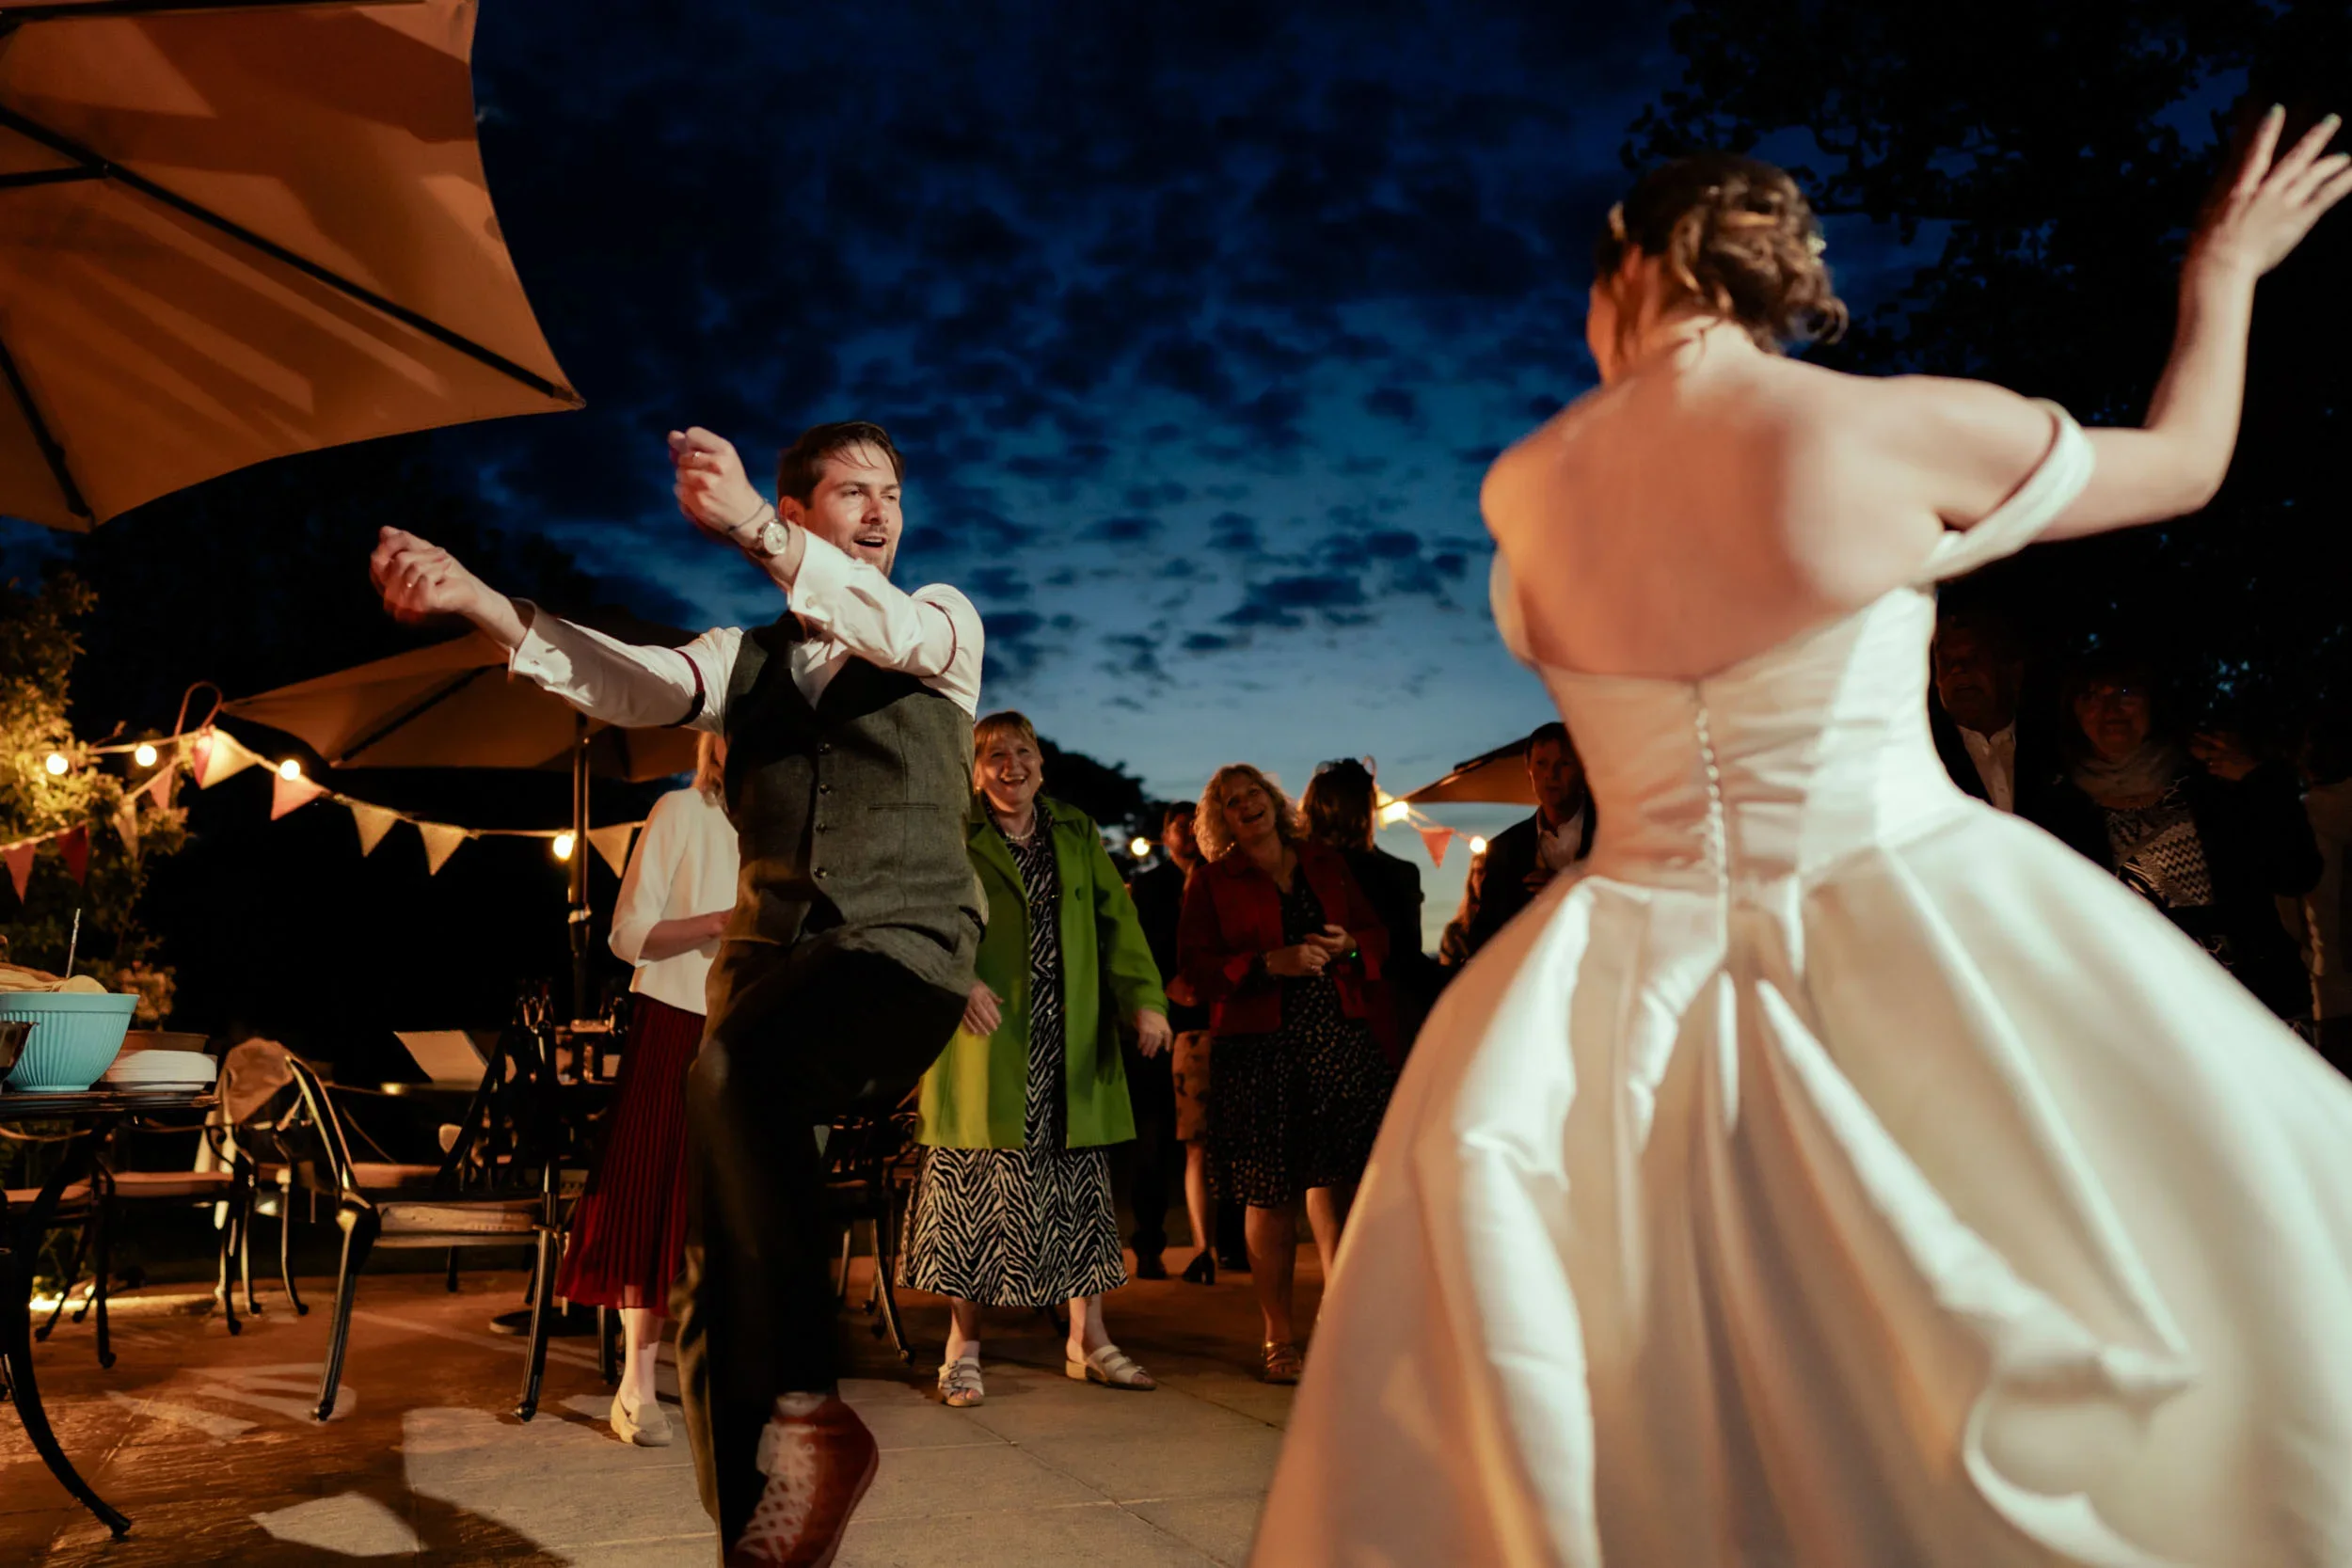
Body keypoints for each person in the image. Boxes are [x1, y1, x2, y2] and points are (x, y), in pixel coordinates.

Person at [1257, 122, 2352, 1568]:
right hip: (1894, 904)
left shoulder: (1525, 487)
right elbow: (2184, 463)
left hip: (1620, 955)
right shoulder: (1878, 428)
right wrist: (2224, 272)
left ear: (1629, 265)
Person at [371, 417, 983, 1568]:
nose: (882, 511)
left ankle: (812, 1410)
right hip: (760, 980)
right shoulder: (739, 659)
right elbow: (629, 682)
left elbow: (885, 624)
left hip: (898, 954)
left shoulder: (941, 623)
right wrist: (481, 601)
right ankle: (760, 1528)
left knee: (738, 1067)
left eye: (891, 491)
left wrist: (751, 524)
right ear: (805, 511)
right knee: (712, 1271)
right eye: (851, 491)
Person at [899, 710, 1170, 1406]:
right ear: (974, 767)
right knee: (974, 1193)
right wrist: (957, 979)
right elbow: (918, 916)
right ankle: (963, 1349)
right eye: (993, 754)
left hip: (1069, 1039)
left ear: (1041, 764)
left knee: (1081, 1192)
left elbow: (1119, 920)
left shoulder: (1075, 830)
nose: (1009, 765)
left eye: (1022, 752)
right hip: (983, 1041)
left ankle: (1089, 1339)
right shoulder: (954, 831)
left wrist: (1146, 999)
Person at [1178, 765, 1394, 1384]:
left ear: (1272, 800)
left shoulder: (1322, 860)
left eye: (1252, 793)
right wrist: (1267, 962)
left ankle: (1341, 1317)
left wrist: (1349, 943)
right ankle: (1278, 1336)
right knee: (1269, 1193)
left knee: (1338, 1184)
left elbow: (1375, 937)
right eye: (1229, 800)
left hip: (1336, 1039)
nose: (1245, 804)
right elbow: (1195, 968)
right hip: (1258, 1049)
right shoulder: (1211, 882)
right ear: (1219, 819)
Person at [556, 732, 739, 1449]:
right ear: (712, 741)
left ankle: (719, 1375)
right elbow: (626, 934)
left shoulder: (787, 823)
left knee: (730, 1208)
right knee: (658, 1194)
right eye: (731, 726)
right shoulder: (678, 811)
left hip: (752, 1028)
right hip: (677, 1021)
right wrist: (722, 922)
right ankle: (637, 1382)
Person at [2040, 652, 2320, 1022]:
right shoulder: (2059, 808)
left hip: (2251, 1006)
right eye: (2090, 696)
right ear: (2073, 714)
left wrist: (2260, 781)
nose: (2110, 708)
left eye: (2126, 692)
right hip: (2142, 1016)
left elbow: (2296, 872)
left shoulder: (2212, 780)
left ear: (2152, 703)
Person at [1123, 800, 1244, 1282]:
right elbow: (1139, 949)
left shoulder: (1223, 881)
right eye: (1180, 826)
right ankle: (1149, 1245)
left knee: (1222, 1138)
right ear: (1165, 834)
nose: (1189, 833)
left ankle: (1228, 1244)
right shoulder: (1150, 887)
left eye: (1196, 825)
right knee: (1153, 1140)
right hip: (1162, 1023)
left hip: (1215, 1020)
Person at [1437, 721, 1597, 966]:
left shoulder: (1612, 833)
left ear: (1583, 768)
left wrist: (1571, 891)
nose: (1550, 775)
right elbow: (1486, 939)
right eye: (1541, 764)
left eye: (1563, 764)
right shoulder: (1504, 849)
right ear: (1528, 770)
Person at [1300, 757, 1434, 1052]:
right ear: (1366, 810)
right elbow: (1405, 957)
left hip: (1308, 1022)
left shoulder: (1295, 871)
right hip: (1381, 1019)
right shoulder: (1398, 873)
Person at [1927, 597, 2074, 829]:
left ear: (2013, 672)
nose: (1958, 670)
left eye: (1974, 657)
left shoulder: (2062, 749)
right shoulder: (1920, 759)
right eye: (1946, 661)